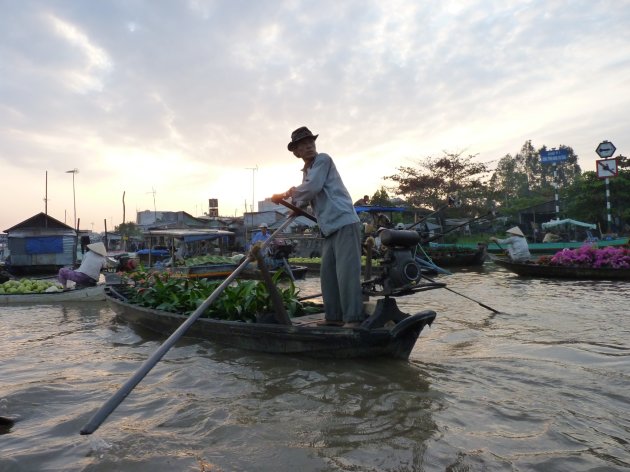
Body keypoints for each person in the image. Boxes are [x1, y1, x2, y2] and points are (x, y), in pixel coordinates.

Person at [272, 126, 364, 328]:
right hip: (328, 228)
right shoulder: (307, 171)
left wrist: (287, 194)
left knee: (346, 274)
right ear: (296, 152)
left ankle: (353, 319)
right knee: (328, 274)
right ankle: (334, 317)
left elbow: (312, 188)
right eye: (303, 145)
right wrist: (295, 208)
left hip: (344, 222)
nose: (309, 146)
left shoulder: (323, 160)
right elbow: (307, 194)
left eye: (310, 142)